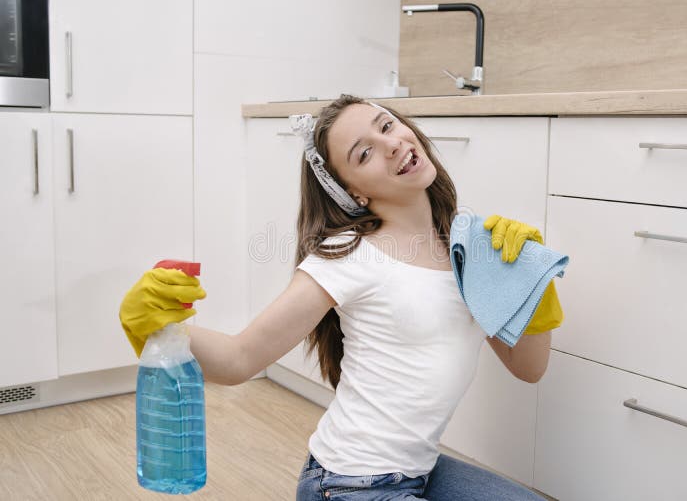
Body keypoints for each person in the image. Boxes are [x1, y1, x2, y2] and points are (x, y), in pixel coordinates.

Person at [119, 94, 560, 500]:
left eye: (386, 126)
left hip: (419, 471)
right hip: (348, 484)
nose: (390, 145)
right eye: (364, 153)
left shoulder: (467, 245)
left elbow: (528, 367)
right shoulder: (346, 255)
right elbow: (239, 358)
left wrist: (531, 278)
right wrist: (159, 328)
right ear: (353, 191)